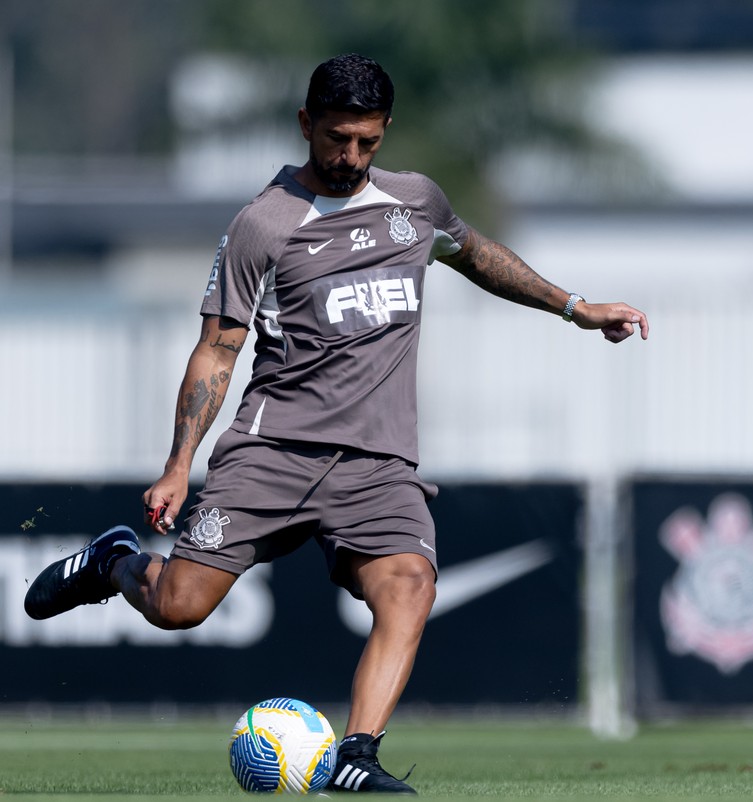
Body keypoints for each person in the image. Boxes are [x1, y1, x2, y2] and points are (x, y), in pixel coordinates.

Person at [24, 53, 648, 794]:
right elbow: (217, 349)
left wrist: (576, 308)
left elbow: (474, 253)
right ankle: (115, 563)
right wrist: (179, 463)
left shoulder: (414, 204)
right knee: (178, 607)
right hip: (274, 450)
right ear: (305, 124)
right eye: (337, 138)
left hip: (376, 465)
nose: (350, 156)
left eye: (368, 142)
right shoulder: (264, 224)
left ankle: (355, 756)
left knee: (410, 583)